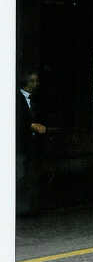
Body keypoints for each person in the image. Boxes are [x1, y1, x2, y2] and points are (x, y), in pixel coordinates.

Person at [17, 70, 47, 215]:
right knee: (19, 175)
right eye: (32, 81)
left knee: (30, 175)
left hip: (32, 145)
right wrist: (31, 125)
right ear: (25, 83)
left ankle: (28, 207)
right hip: (20, 145)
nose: (36, 84)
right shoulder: (16, 99)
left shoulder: (34, 99)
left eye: (37, 81)